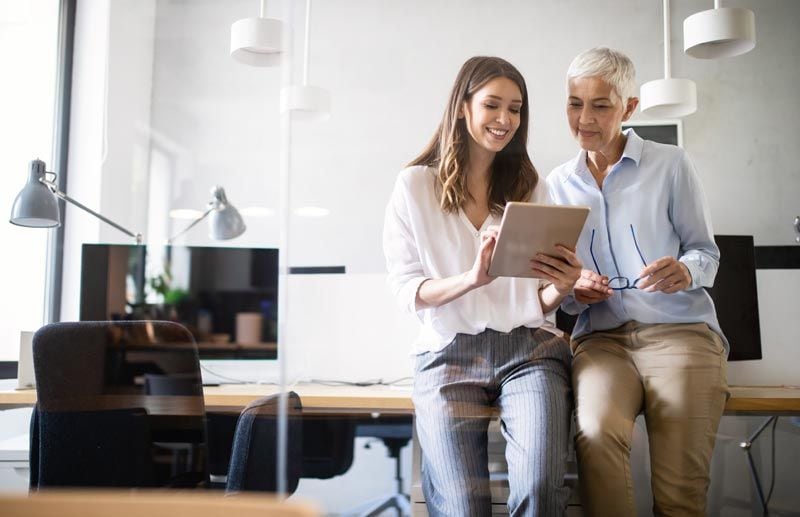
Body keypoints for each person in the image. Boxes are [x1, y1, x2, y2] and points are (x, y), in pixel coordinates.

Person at [383, 56, 581, 516]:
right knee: (460, 505)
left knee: (539, 485)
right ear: (462, 107)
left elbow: (537, 301)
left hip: (529, 351)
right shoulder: (415, 187)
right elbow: (407, 291)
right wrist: (472, 279)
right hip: (447, 353)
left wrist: (562, 287)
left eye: (515, 109)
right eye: (492, 105)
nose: (505, 120)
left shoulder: (530, 186)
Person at [546, 47, 729, 516]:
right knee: (594, 434)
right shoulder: (555, 186)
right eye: (573, 103)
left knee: (678, 491)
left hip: (680, 335)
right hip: (601, 343)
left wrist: (686, 270)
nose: (583, 118)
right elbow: (559, 294)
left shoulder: (671, 165)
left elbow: (705, 252)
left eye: (600, 105)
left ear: (629, 108)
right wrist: (576, 293)